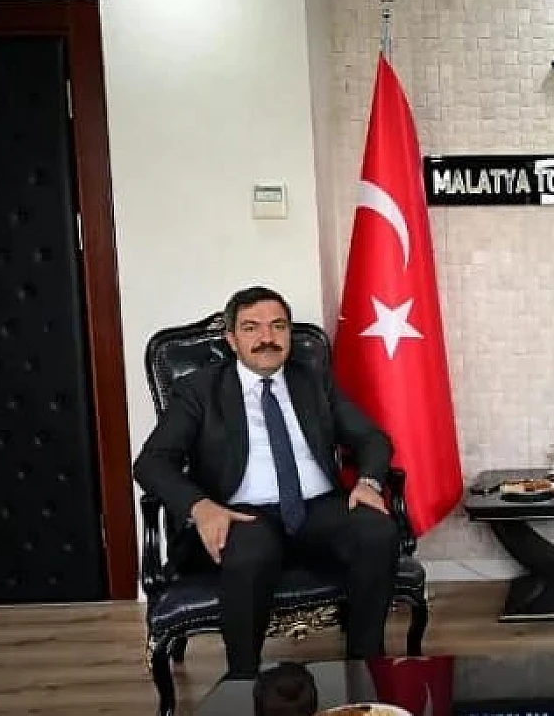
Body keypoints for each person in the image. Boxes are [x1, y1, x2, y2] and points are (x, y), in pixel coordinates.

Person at [133, 286, 399, 678]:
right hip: (242, 514)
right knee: (249, 549)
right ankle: (242, 678)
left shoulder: (313, 380)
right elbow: (152, 462)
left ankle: (365, 669)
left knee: (376, 531)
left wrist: (369, 482)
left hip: (318, 509)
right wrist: (201, 508)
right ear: (231, 339)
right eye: (251, 328)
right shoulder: (199, 390)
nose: (267, 338)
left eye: (278, 326)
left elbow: (372, 438)